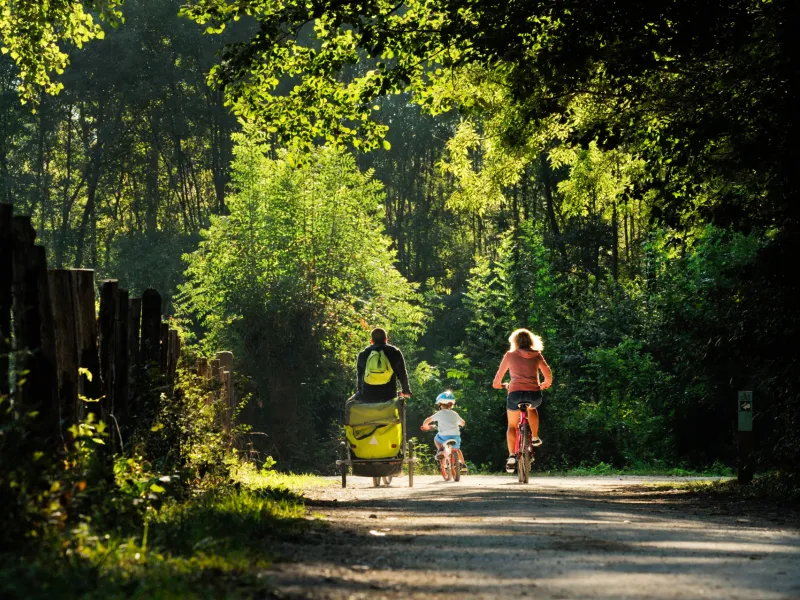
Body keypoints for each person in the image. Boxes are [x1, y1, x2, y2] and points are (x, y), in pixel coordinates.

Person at [492, 328, 553, 472]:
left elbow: (498, 377)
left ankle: (512, 455)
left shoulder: (509, 355)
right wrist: (546, 383)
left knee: (512, 426)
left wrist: (499, 385)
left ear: (514, 341)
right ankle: (535, 437)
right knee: (532, 408)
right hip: (534, 394)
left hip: (515, 394)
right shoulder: (537, 355)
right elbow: (547, 372)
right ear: (532, 340)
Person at [356, 327, 411, 402]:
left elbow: (360, 376)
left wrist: (360, 392)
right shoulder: (395, 352)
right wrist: (406, 391)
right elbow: (402, 374)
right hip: (389, 396)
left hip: (367, 396)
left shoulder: (363, 354)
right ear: (386, 339)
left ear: (371, 341)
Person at [421, 391, 467, 472]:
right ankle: (463, 465)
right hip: (455, 436)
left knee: (436, 439)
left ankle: (441, 451)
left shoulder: (439, 413)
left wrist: (425, 426)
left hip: (444, 436)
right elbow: (463, 423)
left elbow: (427, 420)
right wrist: (459, 425)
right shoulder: (454, 414)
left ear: (440, 404)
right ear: (451, 404)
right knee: (457, 450)